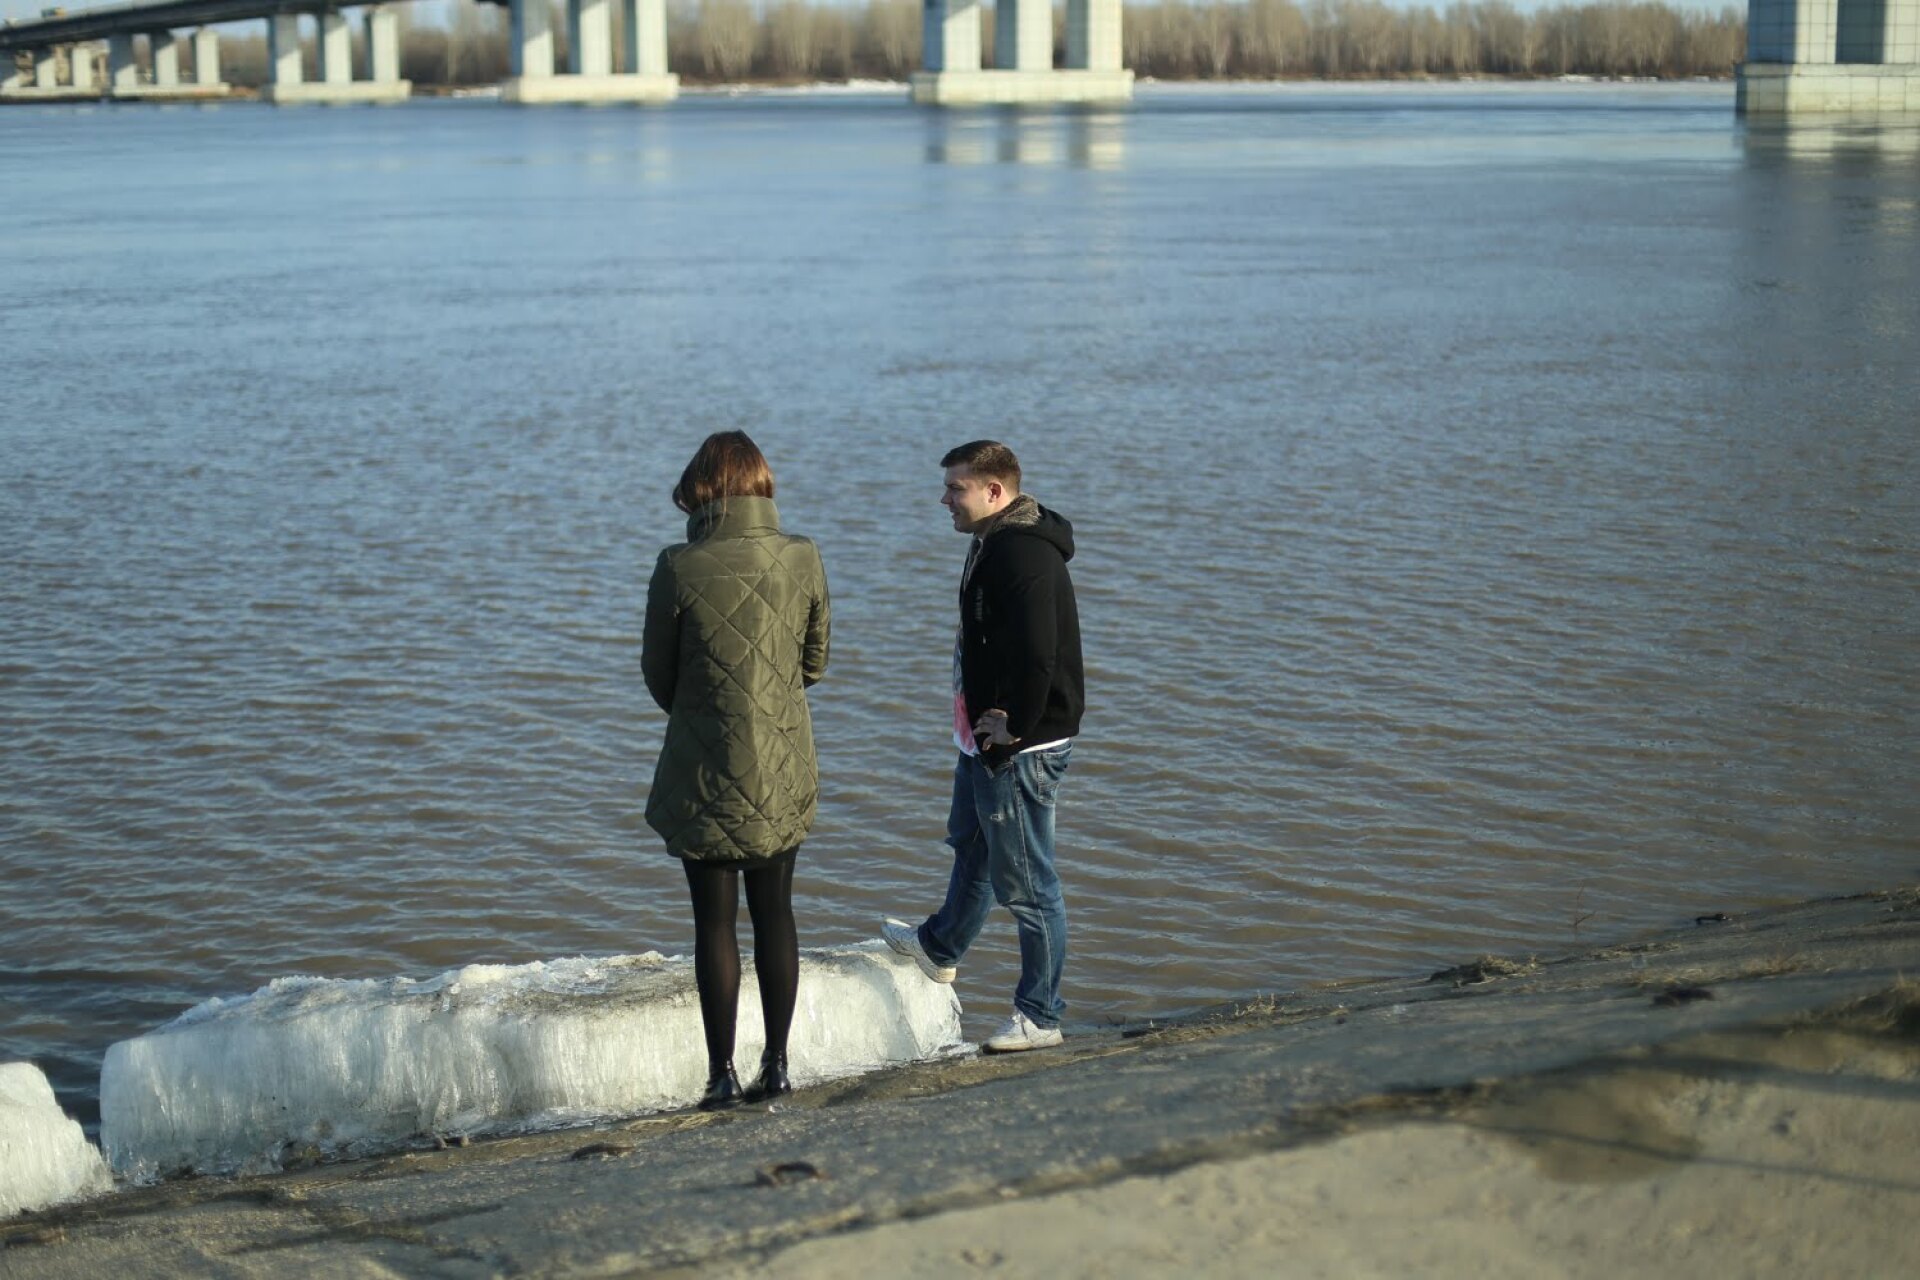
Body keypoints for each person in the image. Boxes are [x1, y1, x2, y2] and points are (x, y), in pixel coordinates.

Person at [643, 432, 830, 1109]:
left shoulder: (678, 565)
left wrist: (705, 709)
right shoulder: (803, 556)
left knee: (713, 925)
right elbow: (815, 663)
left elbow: (658, 677)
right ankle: (776, 1067)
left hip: (704, 767)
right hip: (781, 761)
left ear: (700, 489)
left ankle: (720, 1075)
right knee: (776, 913)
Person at [885, 440, 1084, 1053]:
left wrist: (1014, 725)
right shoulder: (994, 539)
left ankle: (1040, 1016)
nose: (944, 499)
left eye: (956, 488)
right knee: (971, 847)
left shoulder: (1022, 552)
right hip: (983, 738)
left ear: (994, 492)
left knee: (1028, 883)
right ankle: (939, 946)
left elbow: (1040, 652)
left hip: (1019, 748)